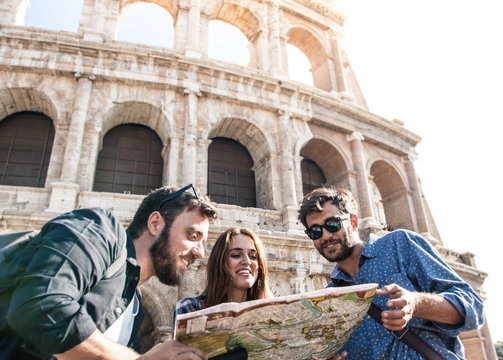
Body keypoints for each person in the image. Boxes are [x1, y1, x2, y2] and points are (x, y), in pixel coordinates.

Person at [0, 184, 217, 360]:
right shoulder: (99, 230)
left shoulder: (134, 308)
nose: (199, 252)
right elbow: (41, 306)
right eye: (193, 235)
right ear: (155, 223)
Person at [298, 187, 484, 359]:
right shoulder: (329, 299)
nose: (325, 236)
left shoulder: (400, 244)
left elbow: (473, 307)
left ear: (353, 222)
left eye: (332, 224)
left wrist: (416, 303)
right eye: (315, 232)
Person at [173, 227, 271, 319]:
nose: (247, 261)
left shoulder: (271, 313)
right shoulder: (190, 308)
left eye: (253, 256)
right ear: (219, 262)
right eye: (236, 255)